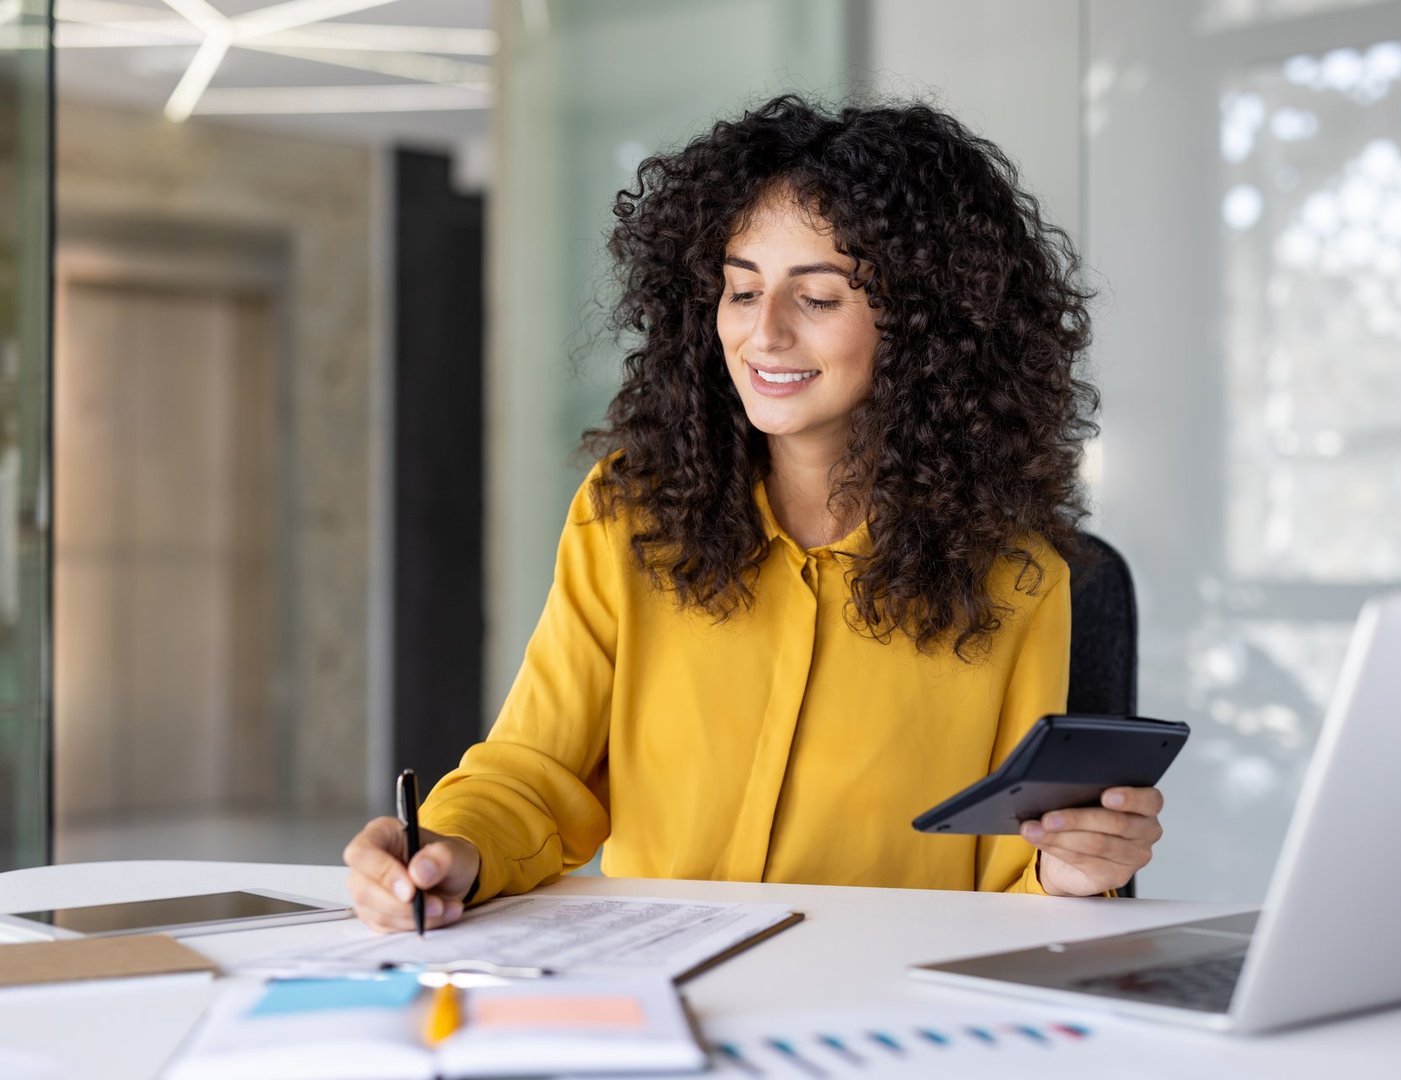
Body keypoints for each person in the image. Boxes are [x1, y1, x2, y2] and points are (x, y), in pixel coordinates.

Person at [343, 95, 1165, 932]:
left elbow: (1014, 890)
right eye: (741, 291)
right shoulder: (631, 514)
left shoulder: (1018, 578)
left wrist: (1070, 873)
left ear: (925, 326)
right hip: (657, 988)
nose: (763, 333)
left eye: (817, 298)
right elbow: (532, 772)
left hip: (874, 1014)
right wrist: (451, 847)